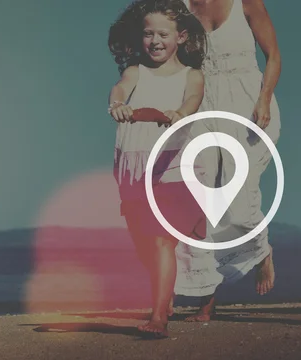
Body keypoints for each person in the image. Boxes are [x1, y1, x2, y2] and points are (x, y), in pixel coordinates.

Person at [173, 0, 282, 321]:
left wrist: (263, 99)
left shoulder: (247, 3)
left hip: (245, 102)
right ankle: (206, 301)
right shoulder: (177, 6)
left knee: (240, 197)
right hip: (199, 102)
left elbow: (273, 55)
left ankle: (260, 250)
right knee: (202, 200)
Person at [107, 0, 207, 338]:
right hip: (136, 168)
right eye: (148, 34)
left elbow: (193, 98)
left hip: (173, 166)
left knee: (163, 241)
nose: (155, 41)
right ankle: (165, 299)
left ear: (180, 37)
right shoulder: (136, 71)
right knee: (143, 242)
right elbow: (120, 88)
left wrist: (181, 113)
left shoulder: (191, 75)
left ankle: (159, 317)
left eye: (163, 34)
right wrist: (118, 105)